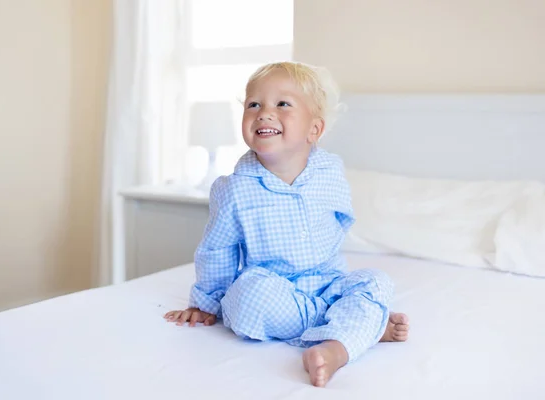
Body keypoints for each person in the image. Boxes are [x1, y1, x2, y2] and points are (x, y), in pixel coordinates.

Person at [165, 61, 409, 387]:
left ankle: (337, 348)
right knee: (245, 301)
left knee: (377, 282)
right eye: (254, 104)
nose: (264, 113)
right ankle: (359, 327)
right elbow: (217, 249)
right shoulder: (235, 188)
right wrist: (207, 302)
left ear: (315, 130)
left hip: (329, 285)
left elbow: (340, 220)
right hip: (273, 288)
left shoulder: (330, 172)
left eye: (282, 104)